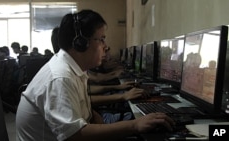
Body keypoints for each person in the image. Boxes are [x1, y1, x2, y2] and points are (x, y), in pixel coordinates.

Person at [16, 9, 174, 141]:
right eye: (102, 39)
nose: (105, 47)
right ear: (81, 43)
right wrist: (134, 125)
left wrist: (108, 127)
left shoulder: (73, 69)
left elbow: (87, 114)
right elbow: (75, 135)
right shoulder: (60, 77)